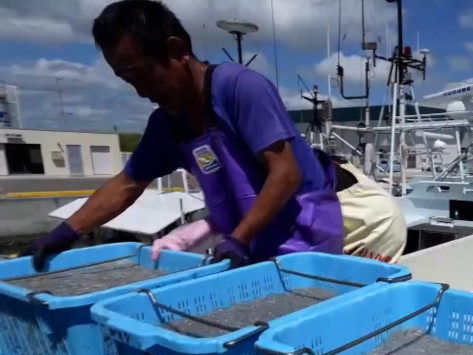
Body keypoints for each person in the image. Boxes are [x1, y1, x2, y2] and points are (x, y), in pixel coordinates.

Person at [23, 0, 346, 270]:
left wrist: (238, 238)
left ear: (176, 51)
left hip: (304, 236)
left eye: (142, 75)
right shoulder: (166, 124)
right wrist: (66, 232)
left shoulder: (239, 88)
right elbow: (126, 185)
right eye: (127, 80)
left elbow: (286, 174)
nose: (140, 92)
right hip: (251, 242)